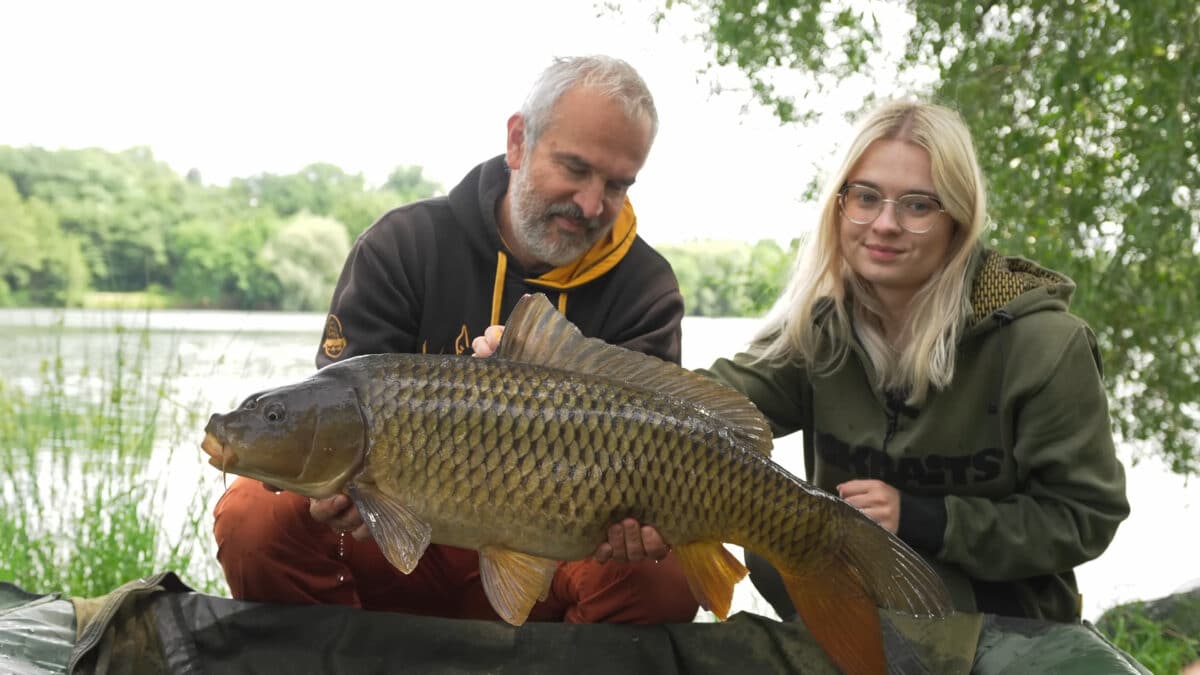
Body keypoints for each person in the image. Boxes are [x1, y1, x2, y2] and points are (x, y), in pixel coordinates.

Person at [477, 99, 1130, 623]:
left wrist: (925, 517)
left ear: (959, 220)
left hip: (1008, 623)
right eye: (866, 196)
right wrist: (545, 393)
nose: (885, 224)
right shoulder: (822, 331)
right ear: (840, 207)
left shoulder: (1043, 344)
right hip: (859, 607)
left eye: (917, 205)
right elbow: (699, 401)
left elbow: (1084, 517)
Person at [212, 54, 698, 625]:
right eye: (575, 168)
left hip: (554, 543)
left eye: (618, 184)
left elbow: (658, 463)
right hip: (394, 544)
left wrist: (639, 531)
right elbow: (332, 410)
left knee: (666, 577)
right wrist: (335, 498)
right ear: (518, 142)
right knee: (252, 513)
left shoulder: (645, 288)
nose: (592, 204)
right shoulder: (403, 246)